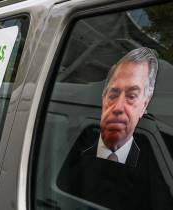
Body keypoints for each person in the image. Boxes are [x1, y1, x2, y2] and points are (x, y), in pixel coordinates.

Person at [57, 47, 173, 209]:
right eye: (113, 94)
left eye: (131, 96)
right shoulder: (70, 149)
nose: (118, 107)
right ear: (104, 97)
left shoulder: (157, 160)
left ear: (144, 104)